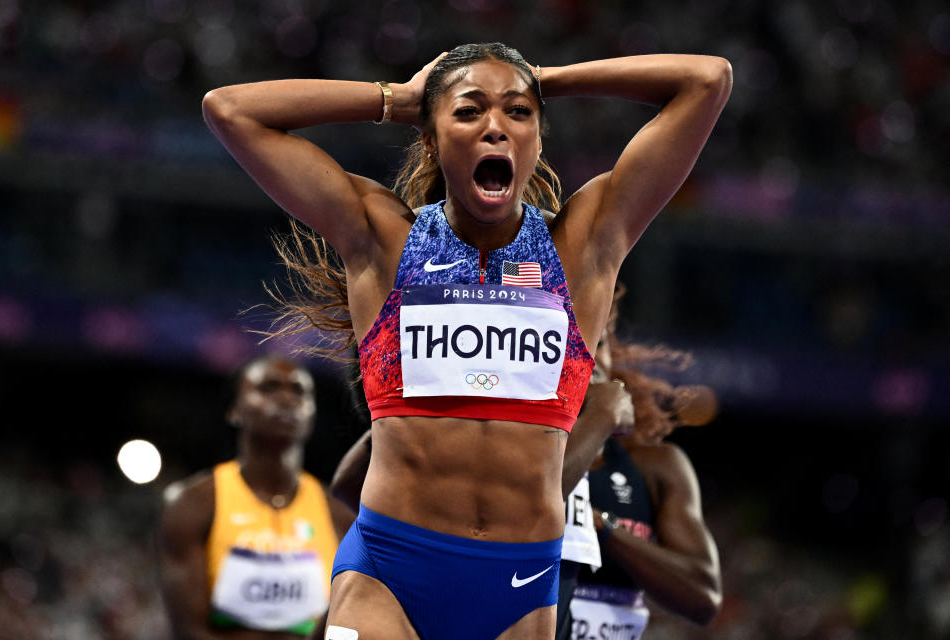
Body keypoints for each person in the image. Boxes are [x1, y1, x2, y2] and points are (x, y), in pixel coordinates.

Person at [202, 42, 731, 639]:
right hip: (388, 572)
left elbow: (706, 79)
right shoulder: (383, 239)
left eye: (518, 113)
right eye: (469, 110)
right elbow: (230, 110)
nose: (496, 129)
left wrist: (545, 79)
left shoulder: (582, 249)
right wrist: (394, 99)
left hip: (520, 585)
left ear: (538, 138)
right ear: (430, 139)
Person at [158, 355, 353, 640]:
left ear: (313, 412)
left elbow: (347, 624)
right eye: (268, 388)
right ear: (234, 410)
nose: (287, 399)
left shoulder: (340, 512)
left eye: (299, 391)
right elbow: (190, 631)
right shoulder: (192, 504)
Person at [556, 331, 723, 640]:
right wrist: (602, 415)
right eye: (571, 342)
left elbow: (704, 598)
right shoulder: (516, 456)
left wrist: (600, 525)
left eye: (600, 342)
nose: (589, 356)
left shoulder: (655, 465)